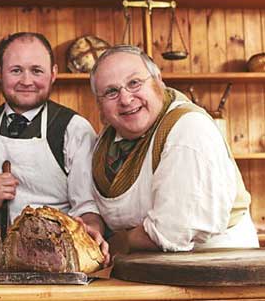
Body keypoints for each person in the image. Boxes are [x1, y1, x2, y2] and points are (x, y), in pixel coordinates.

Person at [89, 44, 259, 253]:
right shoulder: (105, 139)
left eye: (134, 83)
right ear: (99, 104)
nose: (125, 99)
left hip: (214, 266)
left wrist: (115, 243)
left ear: (158, 81)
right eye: (111, 91)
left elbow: (173, 229)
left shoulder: (189, 130)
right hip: (143, 266)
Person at [0, 32, 109, 263]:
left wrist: (91, 230)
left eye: (37, 70)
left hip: (58, 260)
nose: (26, 81)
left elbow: (88, 207)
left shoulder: (75, 129)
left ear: (53, 74)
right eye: (16, 70)